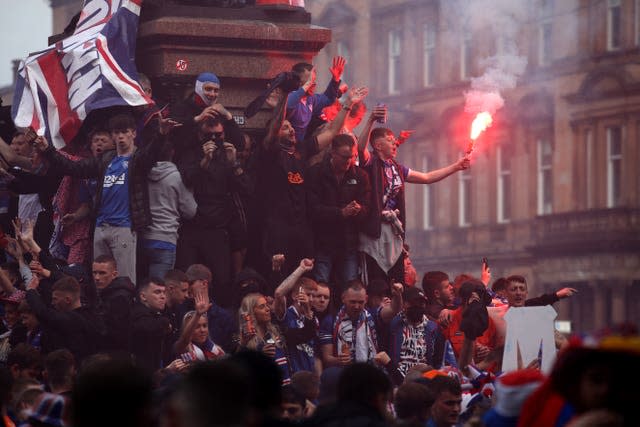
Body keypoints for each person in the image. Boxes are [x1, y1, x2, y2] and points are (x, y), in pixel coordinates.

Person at [34, 113, 174, 282]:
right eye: (116, 132)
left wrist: (162, 133)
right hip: (100, 227)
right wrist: (47, 151)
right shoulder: (105, 160)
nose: (120, 136)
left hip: (123, 227)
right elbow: (73, 168)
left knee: (124, 279)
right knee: (99, 279)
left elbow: (152, 153)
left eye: (124, 132)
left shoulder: (138, 159)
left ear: (133, 134)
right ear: (112, 135)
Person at [357, 125, 469, 284]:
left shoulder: (397, 168)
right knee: (376, 278)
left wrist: (456, 166)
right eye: (390, 141)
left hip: (393, 229)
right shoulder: (370, 163)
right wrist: (371, 119)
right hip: (374, 229)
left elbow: (426, 177)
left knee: (395, 279)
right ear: (378, 145)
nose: (395, 143)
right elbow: (361, 147)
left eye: (395, 140)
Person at [175, 115, 248, 306]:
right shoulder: (190, 154)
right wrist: (204, 161)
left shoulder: (227, 154)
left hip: (218, 227)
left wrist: (234, 164)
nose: (215, 139)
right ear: (200, 135)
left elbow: (247, 189)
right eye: (210, 135)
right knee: (188, 278)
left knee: (222, 280)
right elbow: (186, 179)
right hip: (192, 226)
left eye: (219, 135)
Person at [306, 134, 371, 286]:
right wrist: (340, 213)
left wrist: (359, 210)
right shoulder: (316, 173)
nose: (348, 161)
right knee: (321, 286)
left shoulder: (360, 175)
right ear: (332, 153)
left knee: (350, 286)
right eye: (344, 157)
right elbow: (312, 208)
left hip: (349, 242)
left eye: (352, 157)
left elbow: (368, 207)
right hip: (323, 242)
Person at [139, 140, 197, 281]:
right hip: (165, 239)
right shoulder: (177, 177)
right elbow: (190, 211)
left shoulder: (141, 175)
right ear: (172, 153)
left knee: (142, 288)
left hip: (141, 238)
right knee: (159, 289)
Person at [319, 280, 402, 367]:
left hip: (369, 370)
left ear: (366, 299)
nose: (356, 306)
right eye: (353, 302)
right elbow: (327, 358)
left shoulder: (372, 316)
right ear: (343, 298)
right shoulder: (330, 321)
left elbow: (393, 310)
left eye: (360, 302)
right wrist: (339, 360)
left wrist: (397, 295)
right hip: (342, 371)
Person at [25, 276, 103, 362]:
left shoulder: (73, 320)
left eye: (55, 299)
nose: (52, 303)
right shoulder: (92, 314)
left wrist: (30, 291)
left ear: (68, 300)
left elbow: (44, 314)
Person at [388, 287, 446, 385]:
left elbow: (438, 360)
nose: (417, 306)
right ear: (404, 303)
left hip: (425, 381)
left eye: (421, 303)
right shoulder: (394, 324)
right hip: (398, 381)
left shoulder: (433, 328)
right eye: (413, 303)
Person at [273, 258, 320, 375]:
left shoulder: (314, 319)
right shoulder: (286, 314)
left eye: (314, 296)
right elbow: (279, 293)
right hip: (291, 375)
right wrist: (302, 269)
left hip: (308, 376)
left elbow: (315, 354)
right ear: (294, 295)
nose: (312, 299)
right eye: (308, 294)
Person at [286, 57, 344, 143]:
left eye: (314, 79)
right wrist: (308, 84)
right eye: (310, 80)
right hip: (285, 145)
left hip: (301, 147)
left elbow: (328, 99)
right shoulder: (291, 96)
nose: (314, 83)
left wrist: (335, 80)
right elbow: (288, 104)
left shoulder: (311, 99)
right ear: (298, 82)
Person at [238, 292, 292, 385]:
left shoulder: (277, 332)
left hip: (286, 390)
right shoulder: (244, 340)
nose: (268, 309)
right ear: (251, 312)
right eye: (262, 307)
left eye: (267, 305)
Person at [91, 255, 135, 353]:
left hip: (114, 355)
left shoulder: (120, 298)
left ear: (114, 274)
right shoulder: (106, 293)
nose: (97, 277)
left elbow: (118, 334)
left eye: (102, 273)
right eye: (95, 273)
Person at [173, 286, 225, 363]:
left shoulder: (216, 350)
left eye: (204, 326)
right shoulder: (182, 347)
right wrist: (197, 314)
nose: (202, 330)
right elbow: (185, 339)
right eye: (197, 327)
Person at [130, 278, 172, 373]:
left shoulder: (157, 314)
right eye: (157, 292)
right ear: (143, 296)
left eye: (164, 292)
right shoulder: (137, 314)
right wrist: (165, 323)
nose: (163, 296)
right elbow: (146, 326)